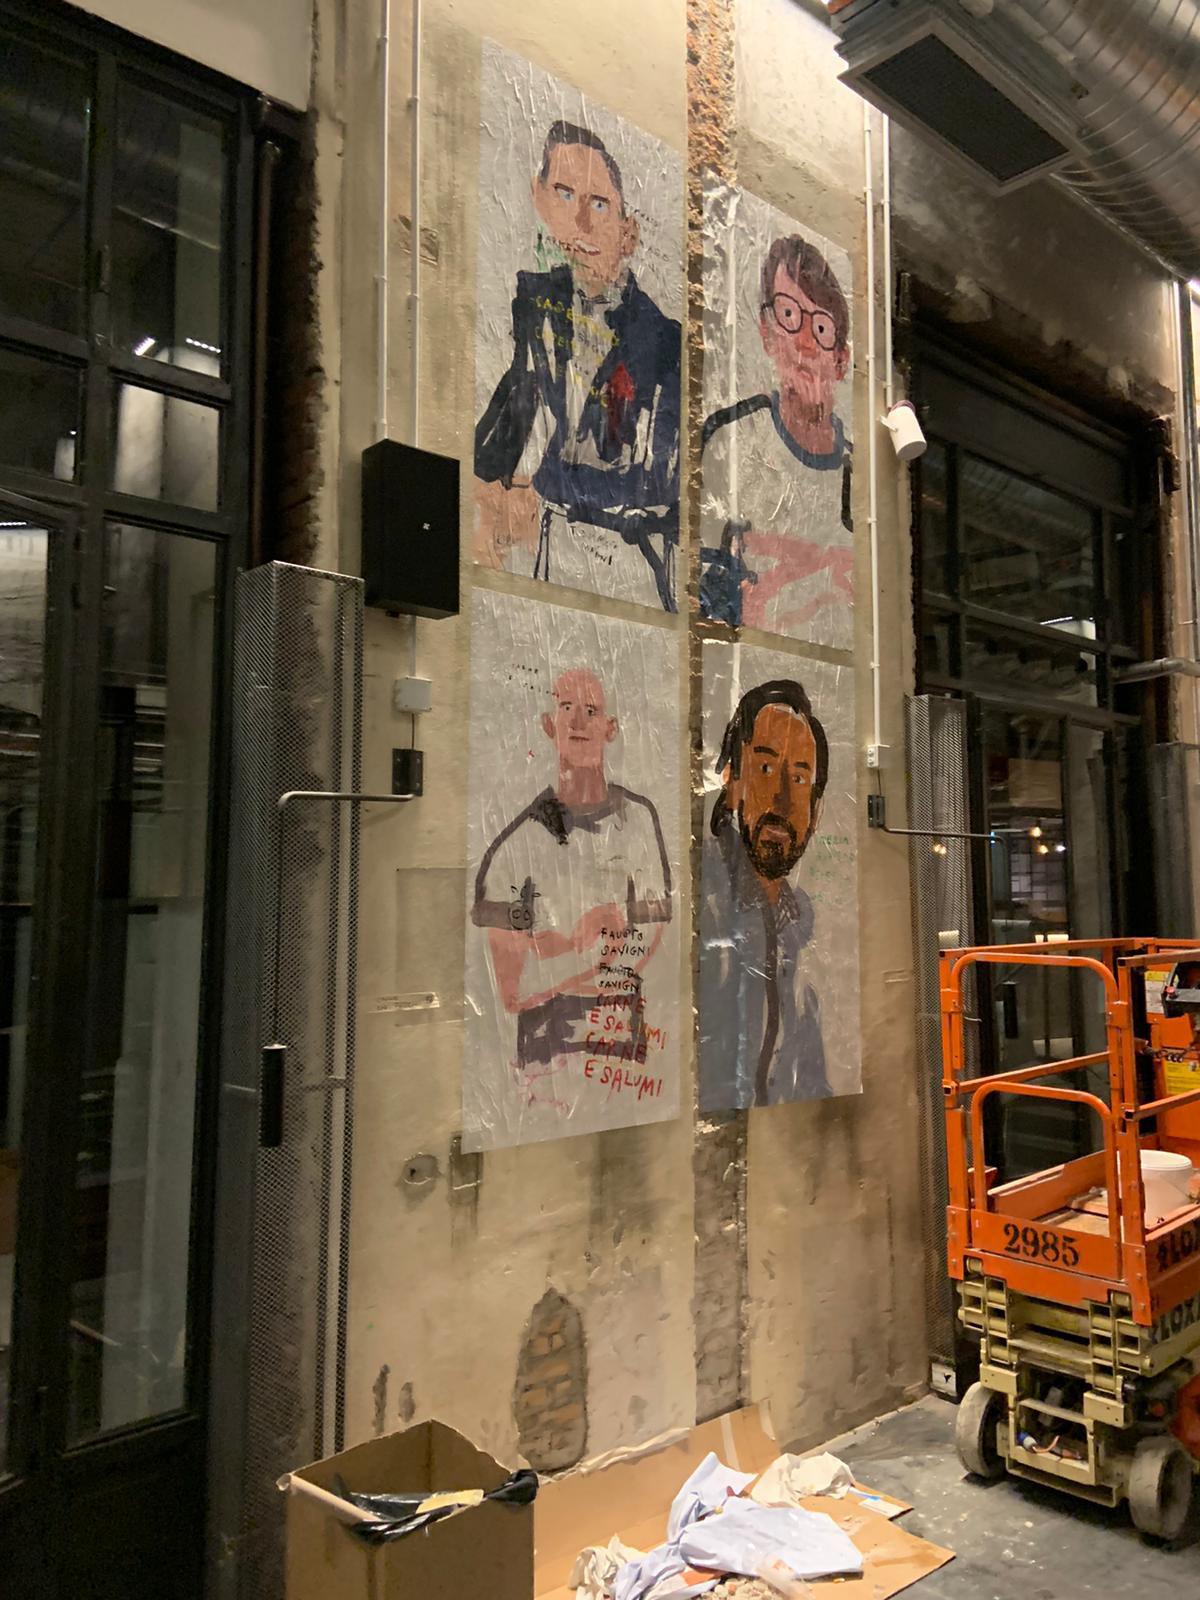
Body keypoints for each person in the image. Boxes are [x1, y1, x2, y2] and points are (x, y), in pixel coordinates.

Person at [475, 120, 681, 612]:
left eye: (600, 204)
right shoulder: (533, 301)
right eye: (564, 195)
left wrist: (543, 484)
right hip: (533, 557)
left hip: (618, 560)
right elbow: (500, 434)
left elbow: (658, 481)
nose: (581, 222)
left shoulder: (660, 339)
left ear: (629, 232)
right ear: (539, 198)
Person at [472, 668, 672, 1077]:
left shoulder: (638, 820)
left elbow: (654, 943)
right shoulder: (517, 846)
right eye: (566, 708)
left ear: (610, 728)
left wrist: (554, 949)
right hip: (542, 1065)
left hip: (624, 1053)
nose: (578, 721)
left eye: (591, 710)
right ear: (550, 725)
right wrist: (589, 941)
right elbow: (509, 992)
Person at [700, 234, 853, 644]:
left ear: (841, 359)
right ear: (767, 333)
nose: (805, 342)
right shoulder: (729, 438)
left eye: (821, 327)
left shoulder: (857, 479)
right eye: (789, 314)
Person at [699, 678, 830, 1109]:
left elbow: (813, 1075)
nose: (781, 797)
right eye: (766, 770)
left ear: (815, 812)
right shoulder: (703, 903)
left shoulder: (801, 924)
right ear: (732, 783)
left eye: (799, 778)